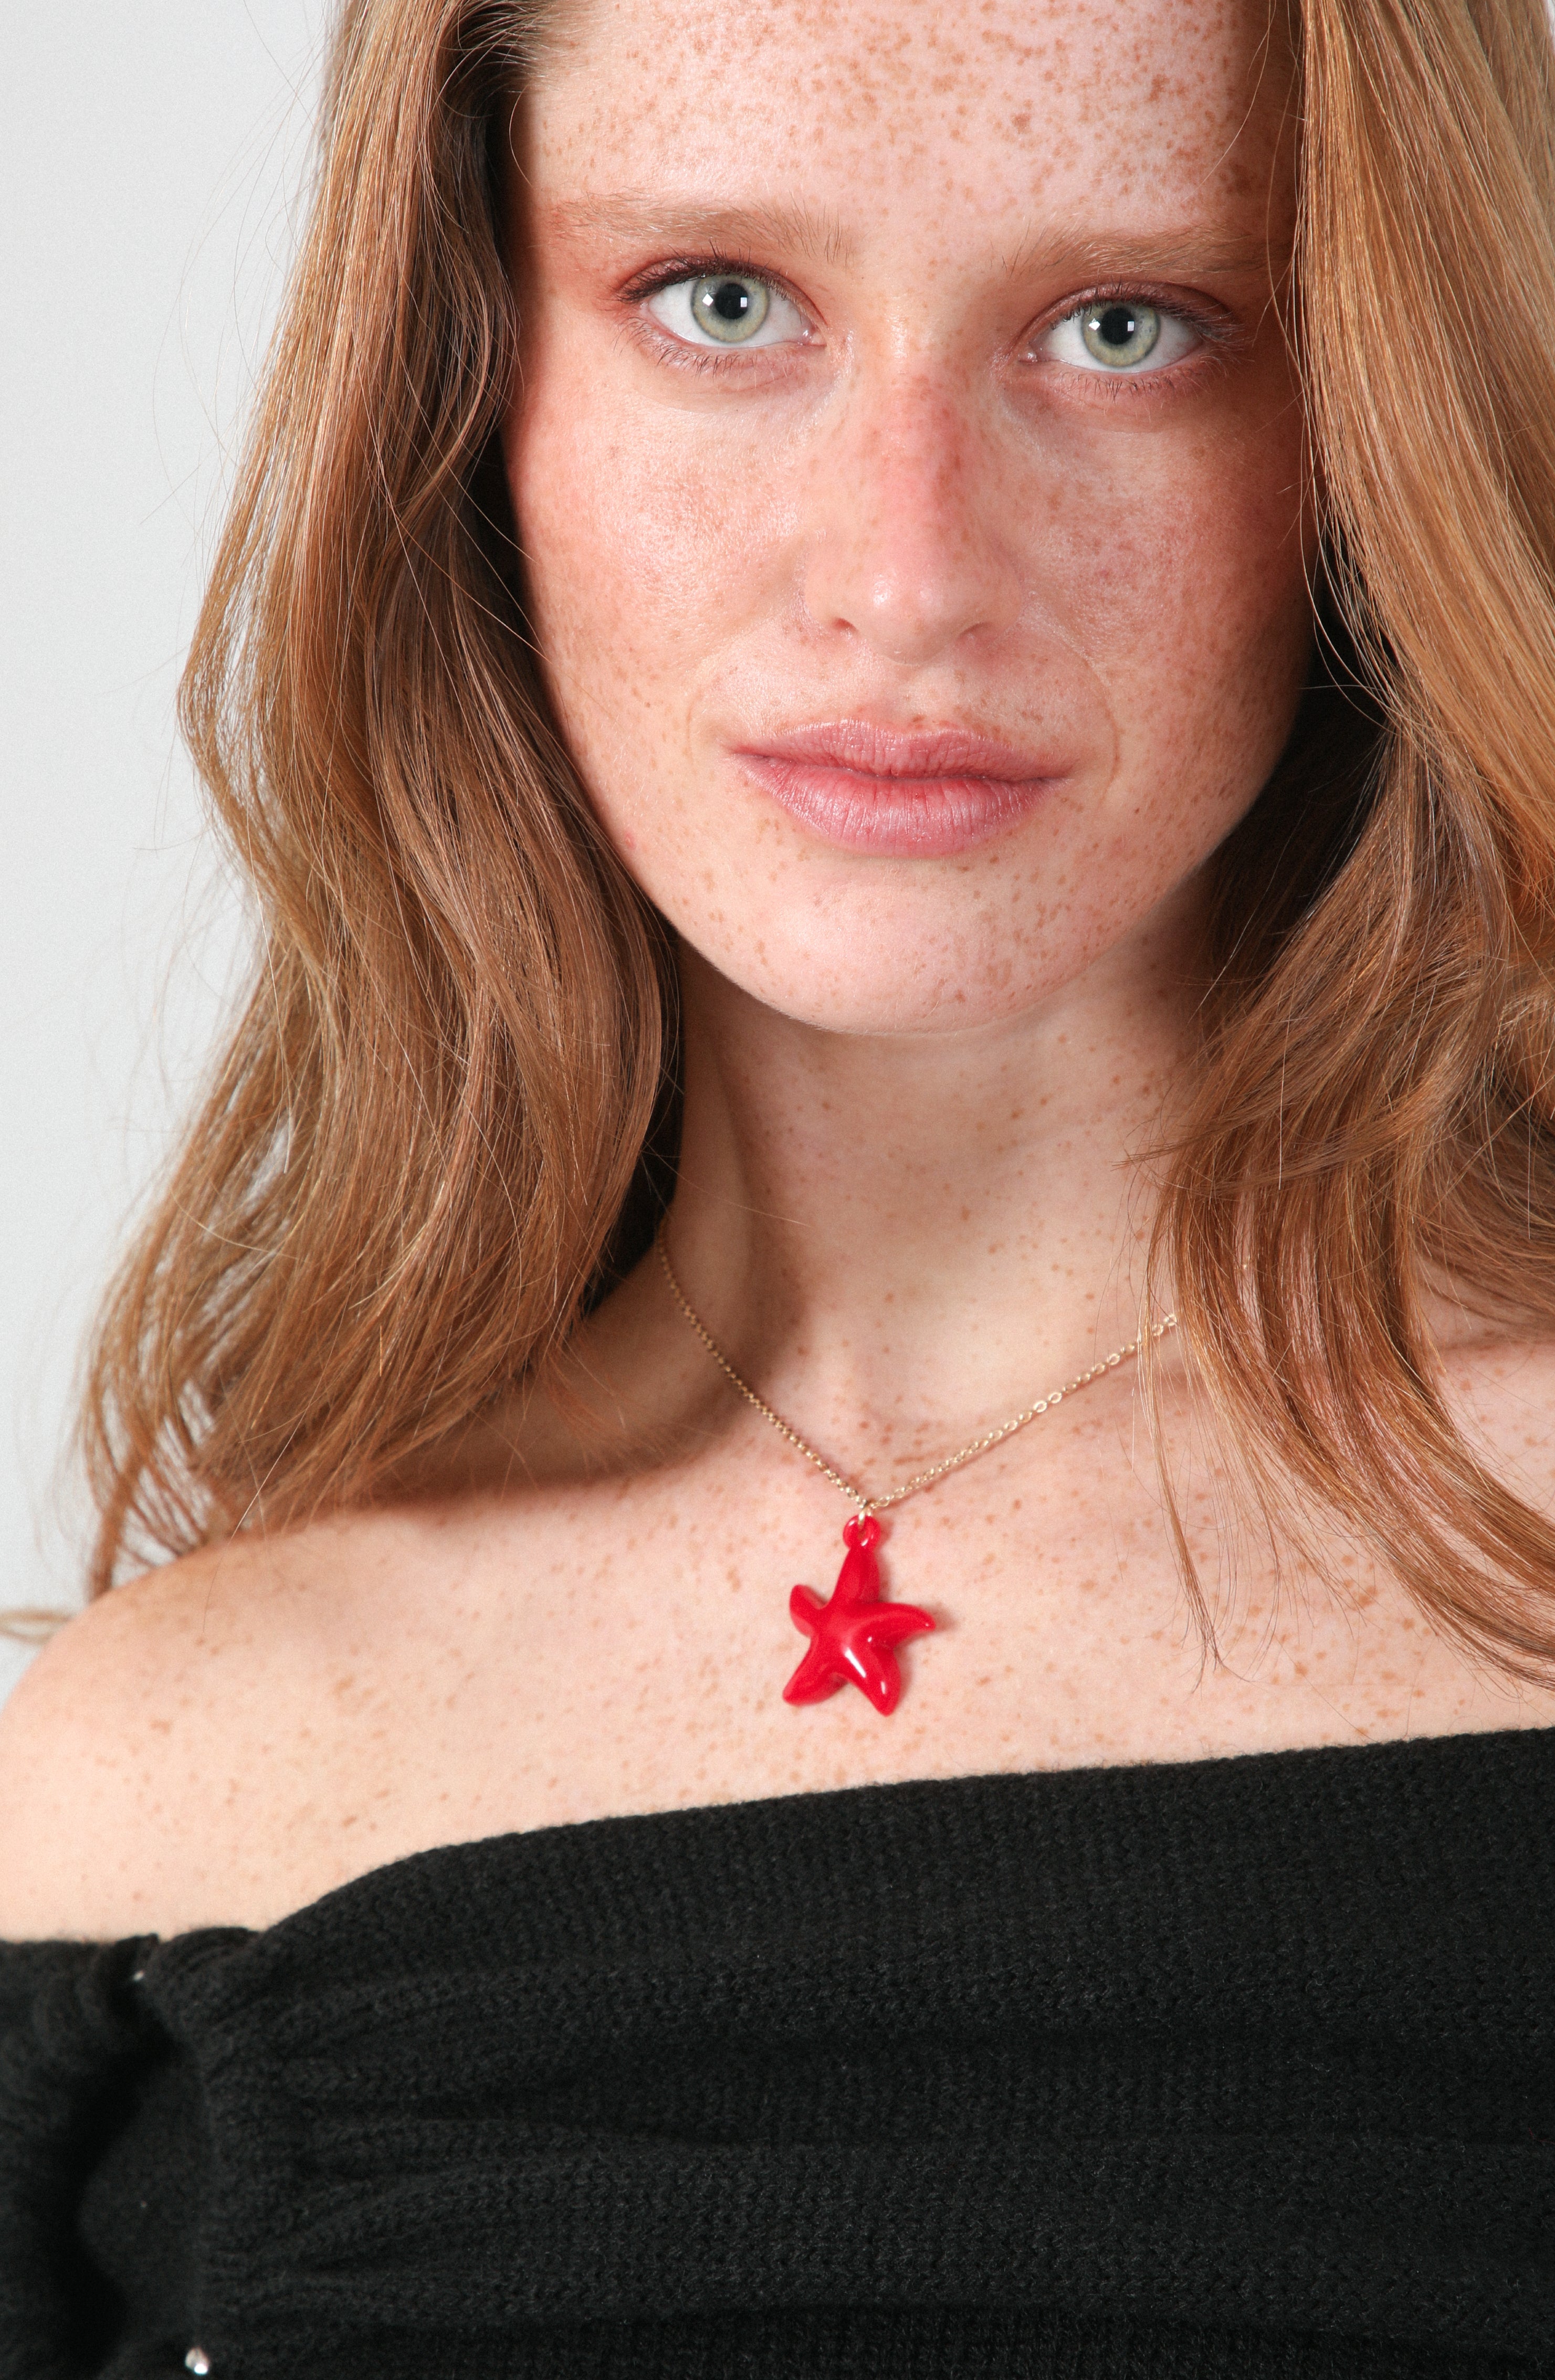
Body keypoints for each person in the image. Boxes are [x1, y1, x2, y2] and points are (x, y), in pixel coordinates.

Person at [5, 0, 1555, 2366]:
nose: (905, 574)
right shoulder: (154, 1786)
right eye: (722, 303)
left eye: (1127, 327)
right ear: (466, 393)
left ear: (1377, 424)